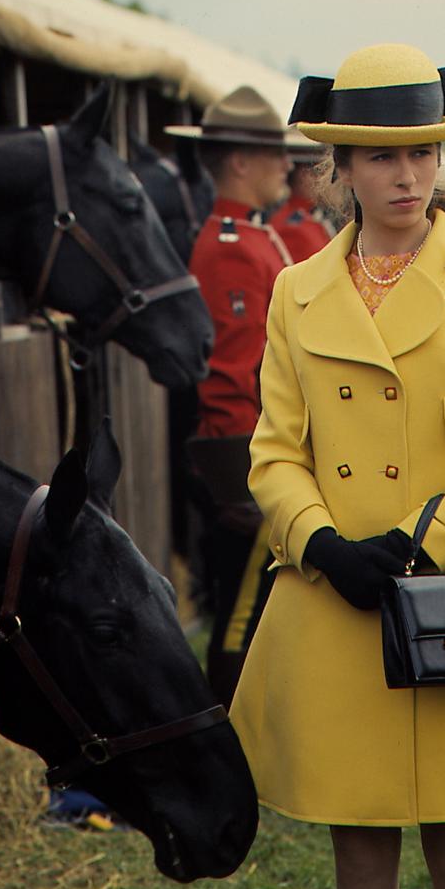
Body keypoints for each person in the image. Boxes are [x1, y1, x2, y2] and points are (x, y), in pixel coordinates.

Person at [230, 43, 445, 889]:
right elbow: (275, 451)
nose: (406, 176)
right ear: (341, 169)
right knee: (360, 855)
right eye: (380, 156)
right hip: (337, 604)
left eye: (421, 153)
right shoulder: (297, 292)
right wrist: (323, 546)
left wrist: (423, 547)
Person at [165, 86, 294, 706]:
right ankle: (228, 740)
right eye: (274, 154)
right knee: (240, 617)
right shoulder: (229, 248)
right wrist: (243, 476)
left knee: (260, 608)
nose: (287, 167)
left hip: (258, 445)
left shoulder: (249, 236)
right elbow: (232, 372)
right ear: (240, 162)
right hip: (241, 452)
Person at [269, 146, 334, 262]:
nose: (326, 181)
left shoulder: (310, 217)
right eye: (319, 173)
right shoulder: (293, 227)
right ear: (304, 176)